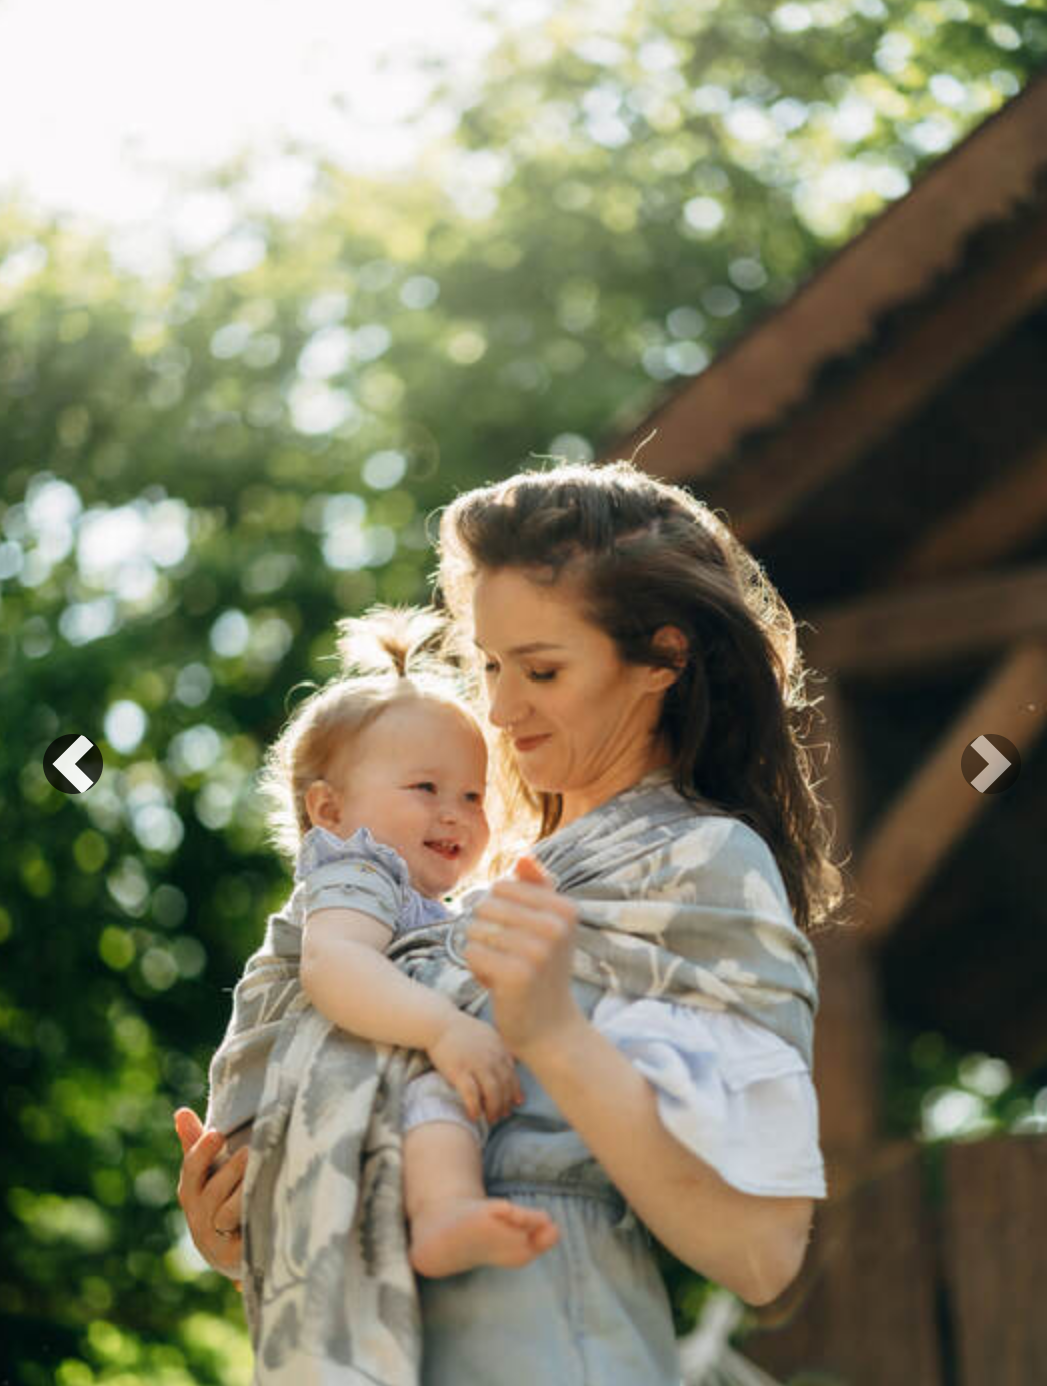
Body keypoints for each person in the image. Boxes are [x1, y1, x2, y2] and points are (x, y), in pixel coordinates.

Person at [176, 459, 843, 1386]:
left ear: (661, 657)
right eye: (490, 663)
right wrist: (255, 1216)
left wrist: (556, 1034)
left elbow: (762, 1251)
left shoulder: (701, 863)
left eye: (540, 668)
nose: (495, 706)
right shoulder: (456, 878)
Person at [203, 605, 562, 1277]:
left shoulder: (412, 900)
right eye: (425, 787)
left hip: (305, 1149)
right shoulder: (355, 869)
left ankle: (441, 1216)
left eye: (473, 794)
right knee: (434, 1074)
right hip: (271, 1136)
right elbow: (334, 968)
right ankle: (444, 1210)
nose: (454, 811)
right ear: (329, 811)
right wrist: (444, 1029)